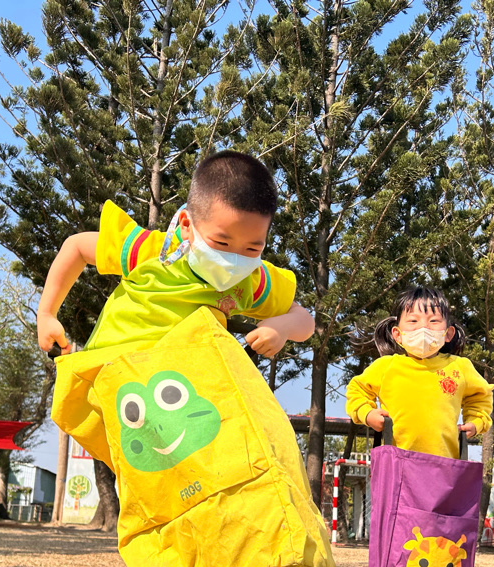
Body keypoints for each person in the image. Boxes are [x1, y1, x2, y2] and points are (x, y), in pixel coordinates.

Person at [36, 150, 314, 464]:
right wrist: (46, 313)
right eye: (221, 243)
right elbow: (77, 246)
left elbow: (304, 320)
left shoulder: (249, 280)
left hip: (177, 406)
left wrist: (281, 328)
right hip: (112, 383)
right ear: (186, 225)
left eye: (252, 248)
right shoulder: (151, 252)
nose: (234, 259)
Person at [346, 286, 493, 459]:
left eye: (434, 321)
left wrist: (476, 422)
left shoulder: (459, 367)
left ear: (448, 333)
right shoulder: (386, 366)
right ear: (397, 334)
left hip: (445, 466)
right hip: (396, 464)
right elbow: (356, 390)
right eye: (413, 321)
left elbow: (480, 396)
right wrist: (367, 413)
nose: (423, 327)